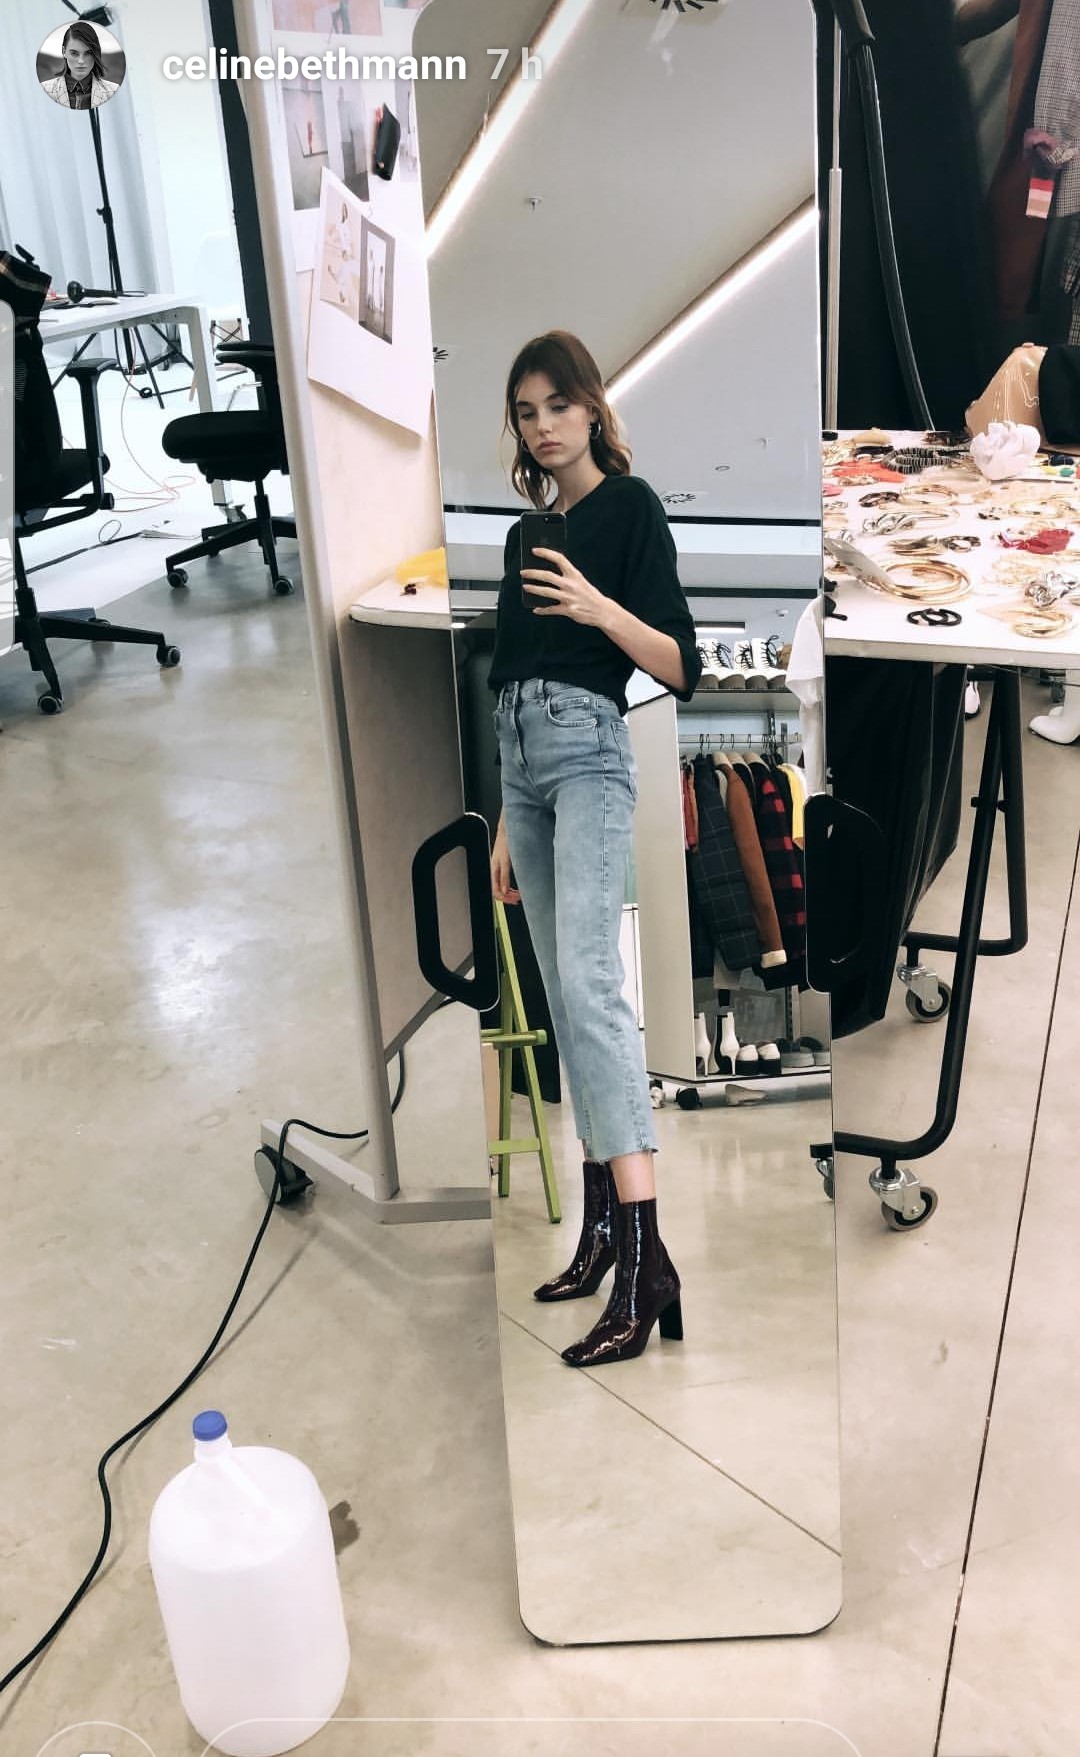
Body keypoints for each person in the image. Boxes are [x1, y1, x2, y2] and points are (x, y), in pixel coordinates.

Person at [488, 330, 702, 1368]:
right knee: (563, 995)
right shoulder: (522, 536)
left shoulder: (631, 507)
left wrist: (598, 606)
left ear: (591, 407)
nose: (544, 426)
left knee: (590, 980)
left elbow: (680, 662)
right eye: (527, 412)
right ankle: (602, 1229)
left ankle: (646, 1255)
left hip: (586, 747)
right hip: (519, 762)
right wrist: (502, 812)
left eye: (558, 405)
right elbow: (508, 669)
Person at [41, 22, 121, 111]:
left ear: (96, 53)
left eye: (88, 53)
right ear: (64, 52)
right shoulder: (45, 89)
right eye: (74, 53)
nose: (81, 61)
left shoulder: (113, 90)